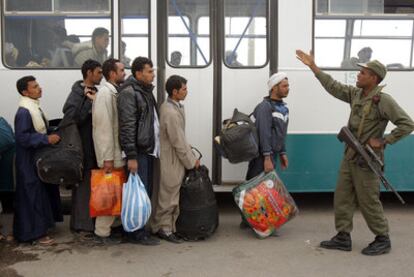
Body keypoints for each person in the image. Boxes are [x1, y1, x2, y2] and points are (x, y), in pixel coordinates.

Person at [296, 50, 414, 255]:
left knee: (368, 201)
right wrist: (314, 67)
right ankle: (343, 236)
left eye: (363, 73)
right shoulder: (357, 94)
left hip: (367, 161)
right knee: (342, 197)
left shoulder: (383, 100)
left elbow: (407, 124)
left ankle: (382, 238)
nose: (358, 75)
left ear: (373, 78)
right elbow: (333, 86)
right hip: (350, 156)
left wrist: (384, 141)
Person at [13, 76, 63, 244]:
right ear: (25, 92)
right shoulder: (24, 111)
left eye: (38, 85)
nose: (39, 88)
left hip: (34, 158)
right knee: (32, 196)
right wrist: (46, 140)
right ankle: (36, 235)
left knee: (37, 194)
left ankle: (34, 231)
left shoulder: (33, 106)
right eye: (35, 87)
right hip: (27, 160)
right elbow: (22, 137)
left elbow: (39, 128)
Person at [151, 75, 200, 243]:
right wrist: (191, 161)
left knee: (170, 193)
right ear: (175, 91)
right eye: (184, 89)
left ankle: (168, 227)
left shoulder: (173, 107)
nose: (187, 92)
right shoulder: (170, 112)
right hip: (171, 159)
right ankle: (163, 229)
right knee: (169, 195)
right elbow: (178, 140)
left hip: (172, 156)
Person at [117, 56, 160, 246]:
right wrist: (132, 156)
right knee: (138, 194)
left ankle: (140, 228)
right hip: (139, 152)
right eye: (149, 71)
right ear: (138, 73)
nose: (153, 75)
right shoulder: (129, 93)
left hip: (147, 150)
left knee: (144, 191)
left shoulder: (144, 91)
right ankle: (136, 233)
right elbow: (127, 126)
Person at [63, 59, 103, 236]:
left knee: (92, 185)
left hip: (93, 146)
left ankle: (89, 223)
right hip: (83, 147)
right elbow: (72, 117)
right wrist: (88, 102)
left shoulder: (95, 91)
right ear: (89, 73)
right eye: (98, 72)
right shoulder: (77, 93)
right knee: (83, 186)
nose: (100, 75)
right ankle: (81, 225)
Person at [92, 58, 126, 244]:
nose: (124, 73)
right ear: (112, 74)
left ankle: (109, 228)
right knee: (108, 194)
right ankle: (102, 233)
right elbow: (103, 128)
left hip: (114, 154)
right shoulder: (105, 94)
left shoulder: (112, 92)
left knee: (114, 193)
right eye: (121, 70)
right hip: (110, 156)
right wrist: (107, 158)